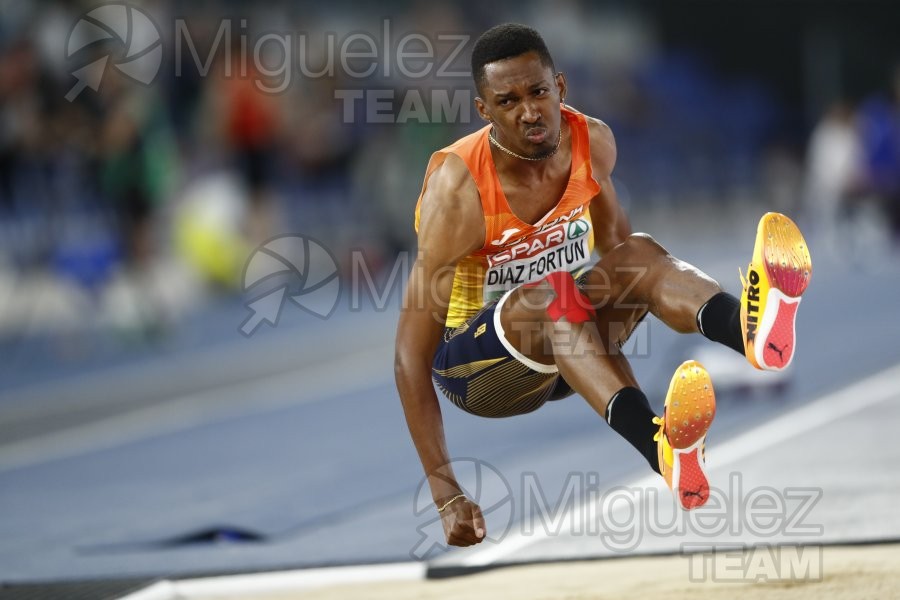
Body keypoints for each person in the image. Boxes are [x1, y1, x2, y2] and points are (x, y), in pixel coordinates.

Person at [394, 24, 812, 548]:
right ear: (485, 111)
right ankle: (654, 439)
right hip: (476, 368)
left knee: (638, 251)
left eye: (538, 92)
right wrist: (446, 493)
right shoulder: (458, 192)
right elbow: (410, 358)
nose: (528, 112)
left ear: (561, 87)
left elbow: (622, 260)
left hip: (567, 338)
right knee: (550, 294)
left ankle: (747, 331)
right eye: (508, 101)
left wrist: (644, 297)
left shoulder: (591, 143)